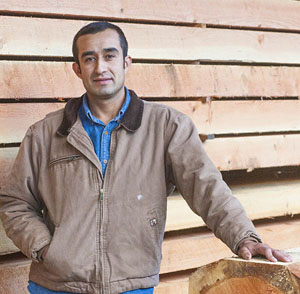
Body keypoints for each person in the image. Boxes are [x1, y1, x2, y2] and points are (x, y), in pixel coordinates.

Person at [0, 21, 292, 294]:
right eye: (89, 59)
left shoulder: (166, 127)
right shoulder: (45, 134)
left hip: (132, 285)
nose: (100, 67)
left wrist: (244, 238)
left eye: (110, 56)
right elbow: (15, 203)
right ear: (77, 69)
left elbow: (208, 189)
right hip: (55, 286)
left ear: (127, 62)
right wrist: (48, 249)